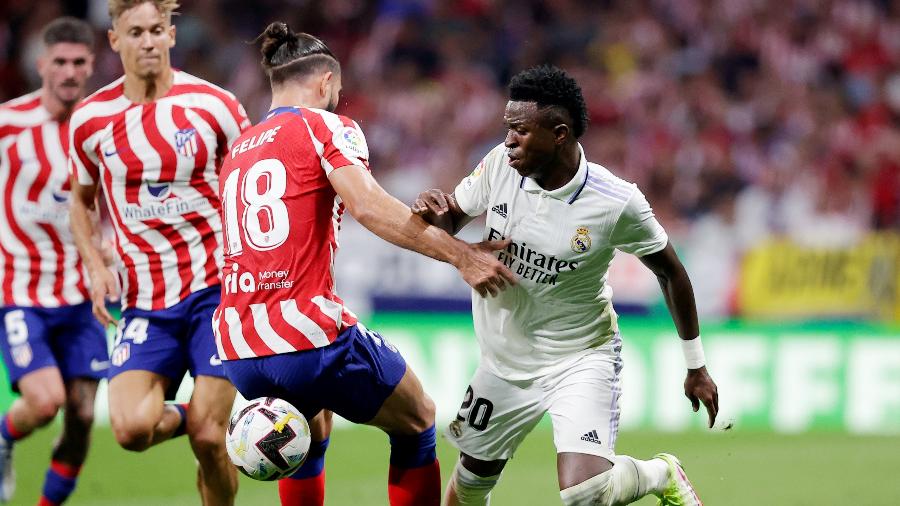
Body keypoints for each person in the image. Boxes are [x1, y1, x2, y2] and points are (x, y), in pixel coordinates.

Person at [214, 22, 515, 506]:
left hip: (239, 345)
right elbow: (369, 206)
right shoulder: (325, 126)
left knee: (312, 422)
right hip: (304, 334)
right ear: (325, 83)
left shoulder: (238, 154)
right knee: (417, 418)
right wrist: (460, 253)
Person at [412, 65, 720, 506]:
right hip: (502, 361)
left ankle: (661, 472)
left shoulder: (616, 202)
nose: (507, 140)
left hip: (579, 356)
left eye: (519, 130)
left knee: (586, 492)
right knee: (469, 487)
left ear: (559, 133)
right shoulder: (500, 165)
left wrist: (696, 366)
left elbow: (671, 271)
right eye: (507, 129)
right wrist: (432, 209)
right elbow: (451, 219)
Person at [67, 1, 250, 504]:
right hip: (146, 300)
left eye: (155, 30)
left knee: (210, 439)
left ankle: (209, 423)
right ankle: (204, 415)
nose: (147, 41)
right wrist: (95, 265)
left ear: (171, 35)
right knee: (131, 430)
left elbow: (252, 187)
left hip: (217, 293)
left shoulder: (215, 106)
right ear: (114, 41)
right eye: (135, 32)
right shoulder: (90, 119)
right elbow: (80, 204)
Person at [0, 17, 105, 506]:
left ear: (91, 66)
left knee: (83, 417)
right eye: (59, 61)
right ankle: (3, 436)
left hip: (81, 297)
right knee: (45, 403)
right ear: (41, 64)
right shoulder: (8, 124)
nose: (68, 71)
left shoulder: (99, 127)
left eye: (78, 62)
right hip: (20, 292)